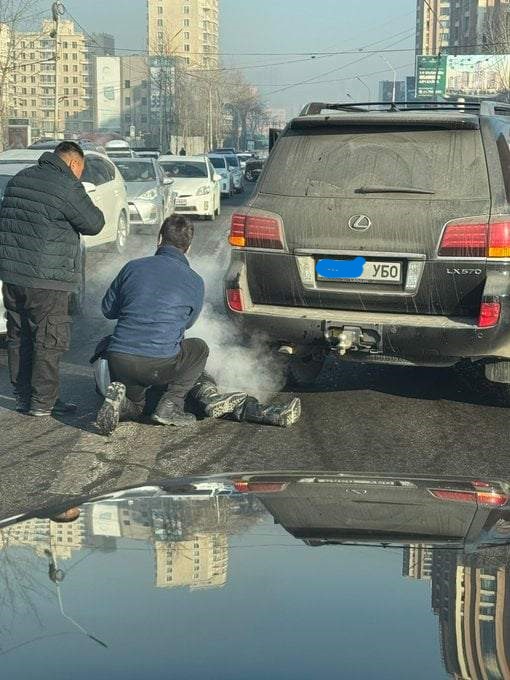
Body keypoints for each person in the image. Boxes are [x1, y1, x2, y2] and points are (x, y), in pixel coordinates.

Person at [96, 214, 301, 435]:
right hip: (159, 366)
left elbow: (108, 310)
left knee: (136, 404)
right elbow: (187, 324)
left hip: (120, 361)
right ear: (189, 247)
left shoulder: (131, 268)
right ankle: (174, 404)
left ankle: (122, 405)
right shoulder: (194, 280)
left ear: (159, 239)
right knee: (198, 349)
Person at [0, 141, 105, 417]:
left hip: (13, 276)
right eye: (80, 170)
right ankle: (43, 402)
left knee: (19, 336)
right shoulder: (67, 185)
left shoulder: (19, 179)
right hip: (47, 279)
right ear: (73, 163)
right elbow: (94, 223)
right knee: (49, 339)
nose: (80, 176)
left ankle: (24, 396)